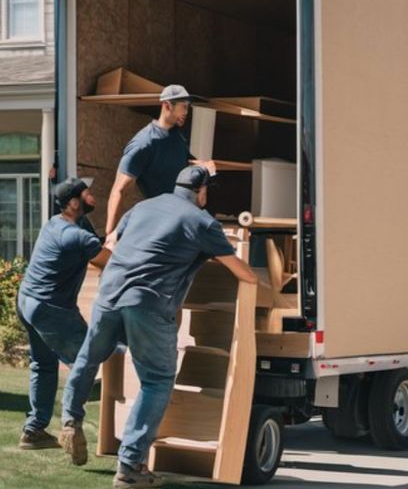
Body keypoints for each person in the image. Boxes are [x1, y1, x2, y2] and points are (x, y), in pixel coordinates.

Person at [60, 166, 257, 489]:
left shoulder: (142, 207)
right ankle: (130, 465)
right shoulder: (202, 221)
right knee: (157, 380)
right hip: (147, 303)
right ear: (202, 192)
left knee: (89, 357)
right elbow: (242, 272)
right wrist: (262, 283)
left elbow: (112, 240)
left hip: (109, 294)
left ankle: (70, 419)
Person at [17, 177, 111, 450]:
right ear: (73, 203)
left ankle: (34, 431)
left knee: (43, 364)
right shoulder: (74, 235)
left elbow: (98, 242)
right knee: (88, 360)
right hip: (49, 308)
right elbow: (110, 261)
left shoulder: (62, 223)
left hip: (28, 301)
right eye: (87, 193)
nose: (92, 195)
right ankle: (71, 424)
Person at [105, 84, 215, 240]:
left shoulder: (177, 136)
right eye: (183, 107)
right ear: (167, 105)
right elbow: (119, 190)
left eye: (188, 108)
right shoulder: (143, 144)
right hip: (161, 222)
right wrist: (110, 234)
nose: (186, 113)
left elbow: (184, 162)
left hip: (183, 215)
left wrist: (205, 166)